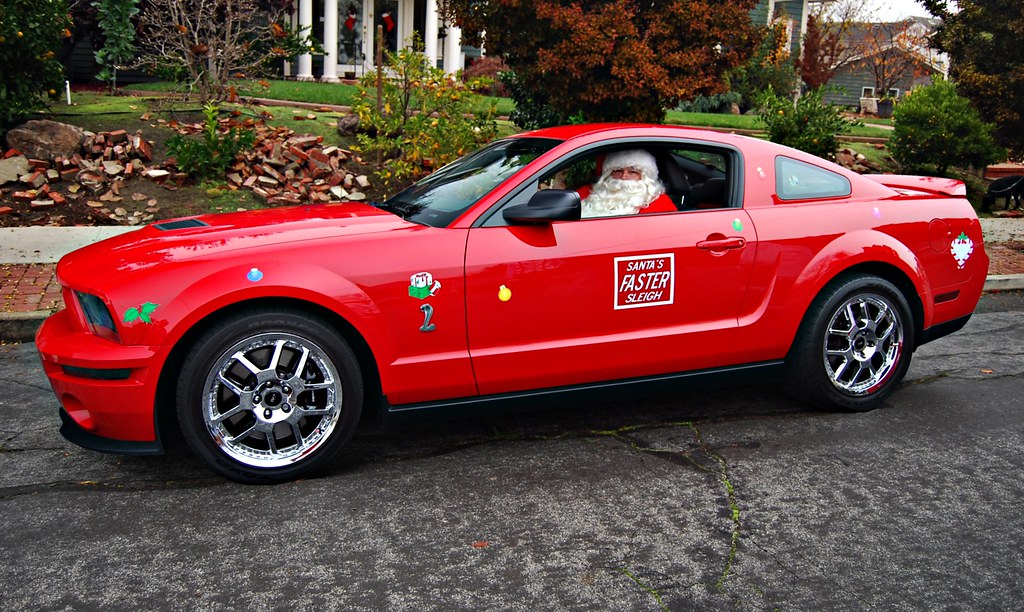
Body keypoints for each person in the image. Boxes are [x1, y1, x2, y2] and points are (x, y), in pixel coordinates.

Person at [580, 149, 676, 218]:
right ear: (609, 173)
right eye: (618, 170)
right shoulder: (586, 193)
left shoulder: (662, 204)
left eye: (632, 172)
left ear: (643, 177)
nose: (624, 176)